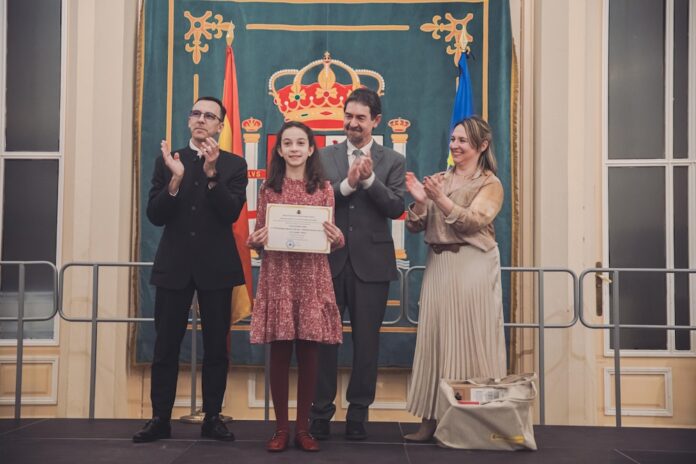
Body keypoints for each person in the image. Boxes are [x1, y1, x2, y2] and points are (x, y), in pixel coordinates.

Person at [133, 96, 248, 443]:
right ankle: (159, 418)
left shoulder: (234, 164)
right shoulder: (170, 160)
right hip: (174, 266)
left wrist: (211, 175)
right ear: (189, 121)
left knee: (216, 348)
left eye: (209, 116)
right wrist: (175, 180)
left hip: (217, 267)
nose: (201, 119)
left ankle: (213, 417)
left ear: (220, 125)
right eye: (195, 113)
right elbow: (155, 215)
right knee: (165, 345)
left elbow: (230, 213)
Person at [402, 115, 507, 442]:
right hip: (439, 265)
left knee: (471, 342)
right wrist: (420, 202)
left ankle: (473, 425)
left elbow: (473, 222)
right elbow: (415, 225)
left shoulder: (490, 184)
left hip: (473, 264)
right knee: (434, 341)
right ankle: (429, 421)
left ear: (482, 145)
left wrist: (439, 199)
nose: (455, 146)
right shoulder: (438, 179)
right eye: (453, 140)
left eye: (463, 140)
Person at [310, 88, 406, 441]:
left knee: (367, 343)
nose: (352, 122)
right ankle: (320, 413)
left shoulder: (393, 161)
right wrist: (348, 186)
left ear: (375, 121)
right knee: (324, 342)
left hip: (372, 265)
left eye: (360, 118)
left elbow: (396, 207)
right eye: (348, 115)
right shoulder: (323, 156)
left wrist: (368, 180)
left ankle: (358, 414)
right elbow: (317, 200)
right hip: (329, 263)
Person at [247, 121, 344, 453]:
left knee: (309, 352)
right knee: (279, 352)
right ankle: (280, 429)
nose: (293, 148)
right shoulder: (268, 190)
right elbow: (260, 236)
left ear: (311, 148)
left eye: (300, 142)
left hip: (312, 276)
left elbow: (330, 238)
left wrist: (338, 238)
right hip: (280, 275)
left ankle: (304, 429)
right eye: (287, 143)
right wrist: (254, 240)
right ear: (278, 149)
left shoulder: (324, 189)